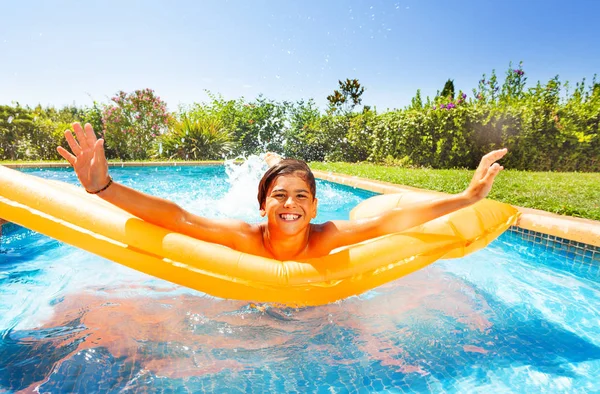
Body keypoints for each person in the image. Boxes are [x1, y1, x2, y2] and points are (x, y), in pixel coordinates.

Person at [57, 122, 507, 261]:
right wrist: (104, 188)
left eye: (300, 196)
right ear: (262, 204)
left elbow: (391, 223)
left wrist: (468, 199)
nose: (289, 204)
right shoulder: (247, 239)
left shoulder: (327, 237)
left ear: (313, 207)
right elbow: (180, 219)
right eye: (279, 195)